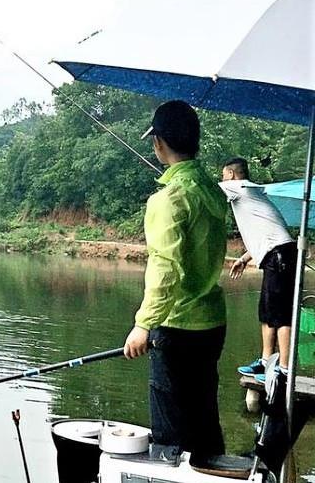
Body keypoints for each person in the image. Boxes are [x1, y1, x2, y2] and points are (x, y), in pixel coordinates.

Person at [124, 100, 227, 461]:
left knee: (169, 436)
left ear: (159, 143)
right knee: (204, 422)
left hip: (176, 328)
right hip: (212, 325)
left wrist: (143, 325)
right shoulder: (214, 191)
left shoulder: (168, 199)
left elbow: (165, 268)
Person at [219, 157, 296, 383]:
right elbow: (264, 232)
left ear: (231, 175)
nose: (222, 180)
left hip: (280, 254)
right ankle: (265, 362)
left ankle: (283, 370)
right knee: (266, 313)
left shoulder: (238, 187)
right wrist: (244, 258)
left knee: (280, 315)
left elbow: (205, 188)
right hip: (276, 254)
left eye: (223, 175)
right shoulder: (250, 195)